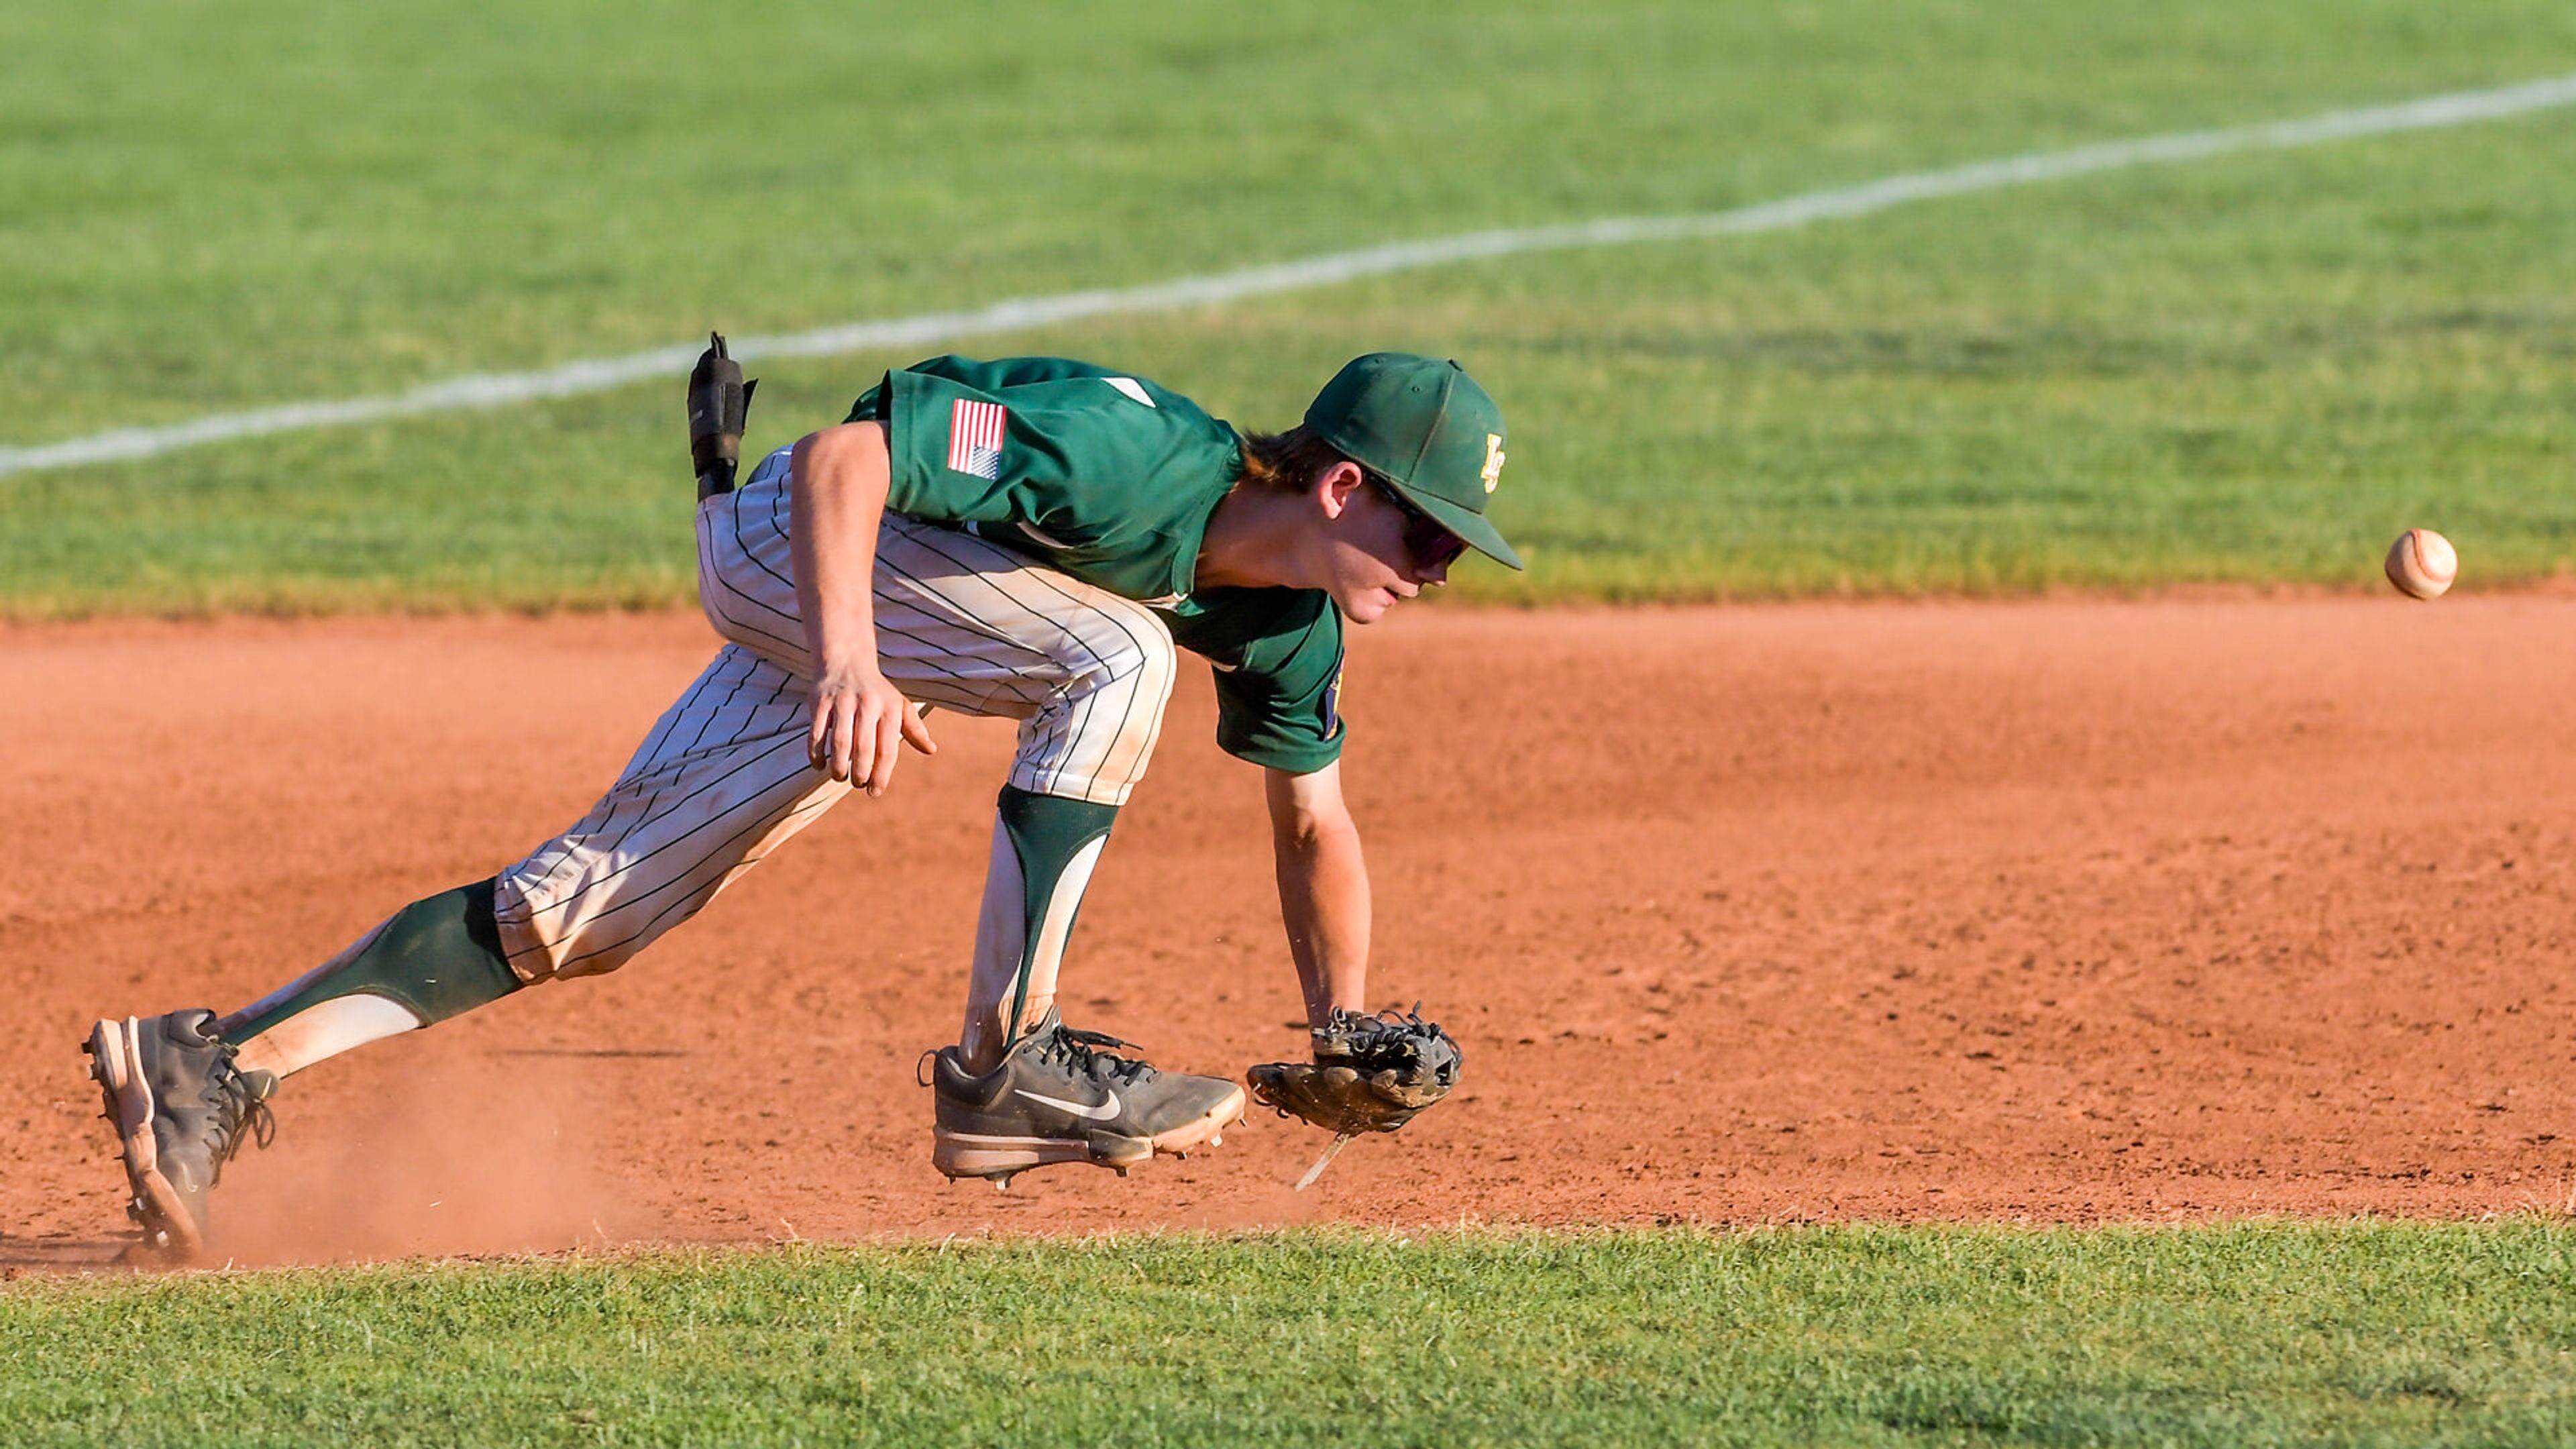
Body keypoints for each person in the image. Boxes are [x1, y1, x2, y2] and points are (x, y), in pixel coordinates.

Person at [83, 350, 1517, 1254]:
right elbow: (850, 455)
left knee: (580, 915)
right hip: (800, 542)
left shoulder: (1290, 629)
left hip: (894, 607)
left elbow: (1313, 822)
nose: (1441, 567)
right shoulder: (1132, 452)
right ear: (1341, 486)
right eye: (1432, 531)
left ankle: (214, 1067)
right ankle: (1004, 1066)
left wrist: (1342, 1024)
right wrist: (849, 661)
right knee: (1120, 651)